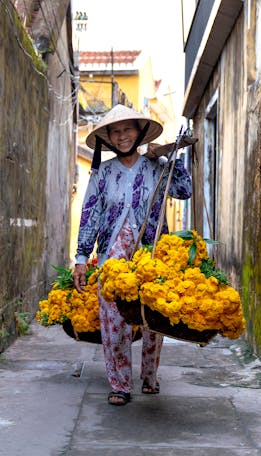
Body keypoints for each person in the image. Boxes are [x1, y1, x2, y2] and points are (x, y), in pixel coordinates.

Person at [72, 104, 193, 406]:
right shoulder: (103, 173)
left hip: (151, 251)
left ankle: (150, 375)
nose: (122, 136)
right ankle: (120, 384)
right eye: (115, 131)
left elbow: (184, 189)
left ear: (139, 132)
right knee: (113, 317)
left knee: (154, 314)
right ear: (109, 137)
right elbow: (89, 214)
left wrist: (169, 158)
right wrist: (81, 259)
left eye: (128, 129)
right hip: (114, 255)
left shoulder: (155, 166)